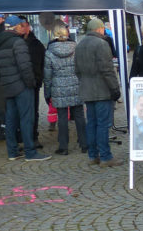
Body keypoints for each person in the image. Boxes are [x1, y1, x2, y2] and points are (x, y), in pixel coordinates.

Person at [0, 15, 51, 161]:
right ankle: (30, 152)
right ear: (16, 27)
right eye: (22, 25)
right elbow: (25, 66)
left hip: (7, 85)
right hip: (21, 86)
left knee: (11, 119)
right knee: (27, 118)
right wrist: (31, 83)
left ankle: (12, 151)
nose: (25, 28)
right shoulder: (18, 43)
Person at [75, 18, 122, 167]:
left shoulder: (80, 45)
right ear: (100, 29)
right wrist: (115, 89)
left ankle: (93, 155)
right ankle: (106, 157)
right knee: (102, 124)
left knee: (92, 124)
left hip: (87, 90)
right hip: (102, 90)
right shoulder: (101, 44)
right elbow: (107, 70)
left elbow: (76, 70)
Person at [44, 22, 87, 156]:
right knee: (79, 115)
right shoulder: (76, 48)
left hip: (58, 87)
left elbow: (48, 75)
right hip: (75, 85)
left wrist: (47, 92)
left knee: (62, 117)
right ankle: (84, 144)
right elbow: (82, 69)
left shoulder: (50, 52)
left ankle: (63, 146)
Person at [18, 16, 46, 148]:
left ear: (28, 27)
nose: (22, 28)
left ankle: (33, 137)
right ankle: (22, 138)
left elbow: (42, 63)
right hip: (18, 83)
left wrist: (38, 80)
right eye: (20, 26)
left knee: (33, 111)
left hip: (33, 83)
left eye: (24, 25)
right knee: (20, 111)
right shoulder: (15, 43)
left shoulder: (36, 44)